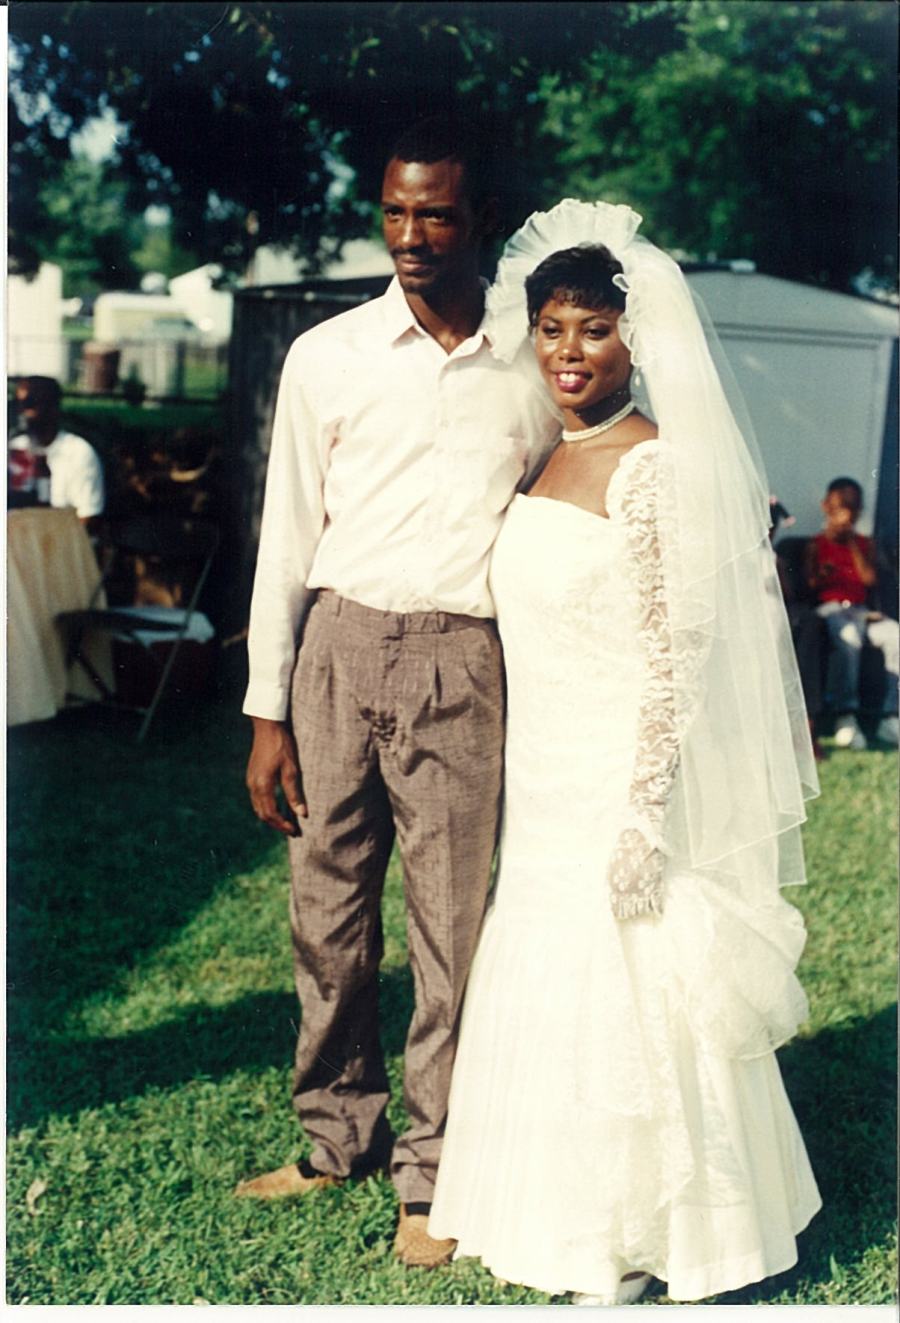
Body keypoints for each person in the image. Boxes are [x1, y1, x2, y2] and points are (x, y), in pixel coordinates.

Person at [428, 202, 822, 1303]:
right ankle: (551, 1218)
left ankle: (658, 1232)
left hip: (614, 782)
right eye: (551, 329)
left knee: (629, 987)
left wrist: (645, 810)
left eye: (592, 330)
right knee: (548, 981)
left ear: (636, 340)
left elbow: (679, 654)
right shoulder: (550, 459)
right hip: (542, 785)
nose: (567, 353)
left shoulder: (651, 471)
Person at [235, 119, 559, 1267]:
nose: (411, 235)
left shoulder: (535, 361)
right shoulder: (328, 352)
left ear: (479, 221)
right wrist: (267, 707)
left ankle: (434, 1172)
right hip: (338, 647)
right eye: (394, 211)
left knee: (451, 930)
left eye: (435, 214)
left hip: (465, 661)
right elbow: (288, 534)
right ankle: (335, 1137)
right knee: (325, 915)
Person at [805, 477, 899, 750]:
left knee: (895, 636)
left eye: (853, 508)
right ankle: (846, 716)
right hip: (832, 610)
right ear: (826, 507)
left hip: (861, 612)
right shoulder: (817, 543)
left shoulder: (863, 544)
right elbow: (811, 584)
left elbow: (868, 579)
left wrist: (851, 544)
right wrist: (824, 570)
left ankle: (891, 716)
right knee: (849, 639)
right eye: (839, 507)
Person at [770, 498, 828, 761]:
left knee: (810, 626)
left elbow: (788, 595)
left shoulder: (774, 555)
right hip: (754, 616)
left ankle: (808, 723)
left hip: (779, 612)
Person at [9, 376, 105, 523]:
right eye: (19, 404)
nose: (23, 411)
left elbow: (87, 518)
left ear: (52, 406)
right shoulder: (15, 449)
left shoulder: (79, 453)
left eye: (30, 403)